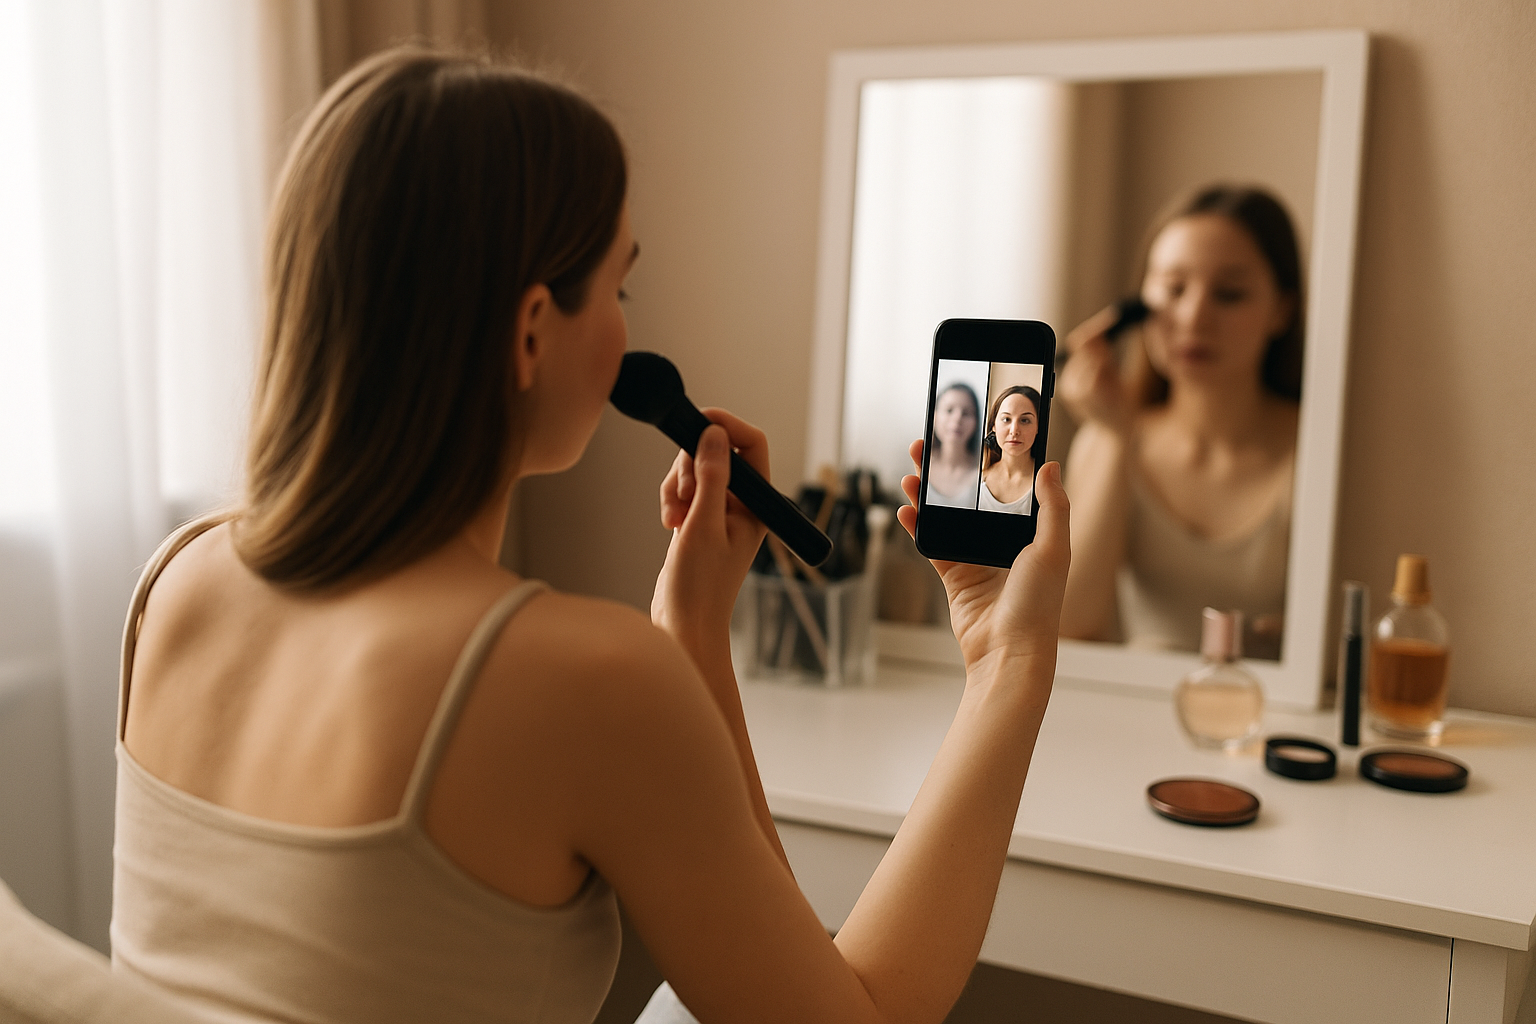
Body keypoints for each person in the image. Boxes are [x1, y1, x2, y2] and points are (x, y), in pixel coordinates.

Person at [111, 48, 1071, 1024]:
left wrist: (691, 630)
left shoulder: (178, 579)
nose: (626, 333)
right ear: (532, 330)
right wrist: (1009, 659)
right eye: (622, 290)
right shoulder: (576, 677)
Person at [1057, 184, 1302, 657]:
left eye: (1229, 294)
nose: (1193, 316)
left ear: (1281, 311)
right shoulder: (1108, 439)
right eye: (1173, 289)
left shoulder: (1316, 453)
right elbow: (1072, 625)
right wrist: (1114, 438)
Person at [977, 385, 1045, 516]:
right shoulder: (977, 479)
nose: (1014, 430)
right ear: (993, 426)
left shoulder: (1044, 485)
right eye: (1006, 419)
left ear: (1038, 427)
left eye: (1025, 420)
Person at [924, 382, 982, 507]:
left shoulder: (984, 476)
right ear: (934, 416)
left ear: (976, 422)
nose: (957, 418)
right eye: (949, 410)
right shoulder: (920, 464)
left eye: (966, 413)